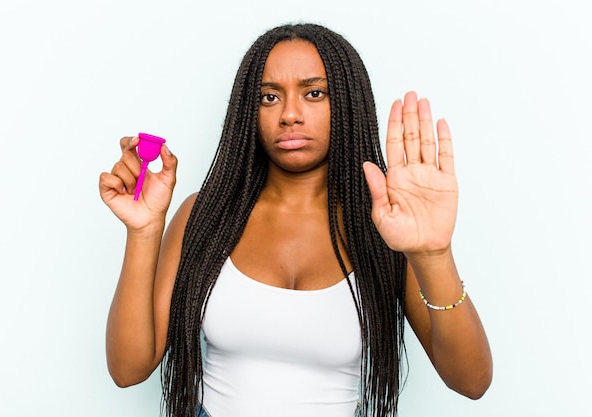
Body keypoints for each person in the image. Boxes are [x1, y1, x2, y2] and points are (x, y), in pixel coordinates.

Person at [99, 23, 492, 417]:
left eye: (314, 93)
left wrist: (433, 254)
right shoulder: (204, 215)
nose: (289, 114)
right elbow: (129, 369)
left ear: (347, 103)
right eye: (269, 97)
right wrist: (144, 230)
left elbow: (471, 382)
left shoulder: (388, 226)